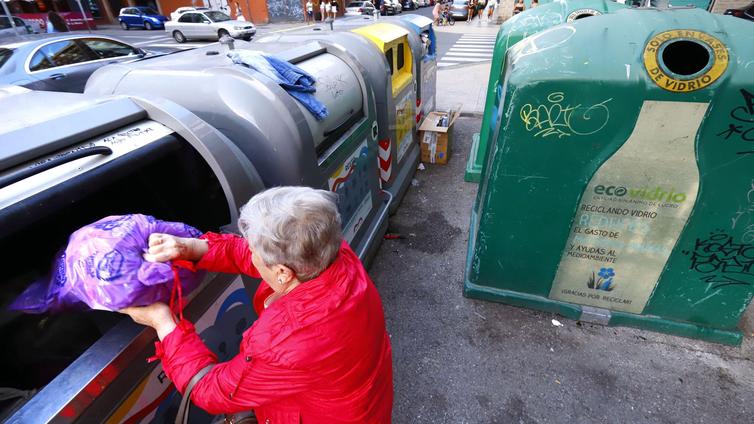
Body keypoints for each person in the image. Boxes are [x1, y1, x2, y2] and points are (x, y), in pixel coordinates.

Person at [121, 187, 394, 423]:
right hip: (360, 404)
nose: (249, 253)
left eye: (254, 252)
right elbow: (259, 252)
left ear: (283, 273)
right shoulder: (329, 252)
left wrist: (164, 324)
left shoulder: (289, 342)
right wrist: (192, 248)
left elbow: (212, 390)